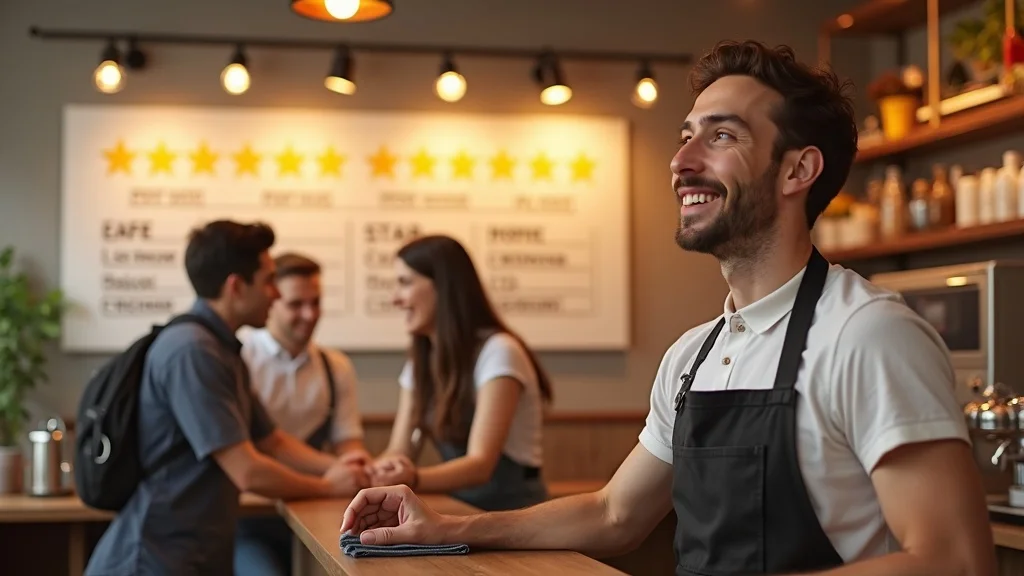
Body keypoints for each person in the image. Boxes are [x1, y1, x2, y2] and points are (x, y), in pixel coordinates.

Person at [339, 41, 998, 575]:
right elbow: (614, 515)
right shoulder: (694, 355)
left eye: (721, 136)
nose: (681, 160)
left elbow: (955, 559)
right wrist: (445, 527)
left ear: (798, 171)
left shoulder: (869, 334)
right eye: (686, 136)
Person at [85, 220, 369, 576]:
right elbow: (248, 470)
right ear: (236, 287)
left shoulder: (220, 349)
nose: (276, 294)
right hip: (153, 560)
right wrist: (327, 487)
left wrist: (343, 470)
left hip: (191, 552)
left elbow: (273, 442)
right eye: (268, 281)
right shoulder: (192, 351)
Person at [364, 234, 554, 512]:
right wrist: (378, 469)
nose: (395, 299)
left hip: (516, 515)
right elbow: (400, 449)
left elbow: (480, 465)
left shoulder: (499, 351)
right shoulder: (421, 360)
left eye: (404, 283)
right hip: (462, 510)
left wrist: (412, 478)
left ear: (443, 286)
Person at [233, 251, 370, 576]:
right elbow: (267, 447)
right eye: (296, 304)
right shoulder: (239, 356)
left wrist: (360, 466)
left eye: (316, 302)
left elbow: (348, 441)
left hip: (316, 514)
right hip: (249, 518)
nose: (309, 314)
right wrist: (332, 473)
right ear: (271, 299)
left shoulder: (335, 366)